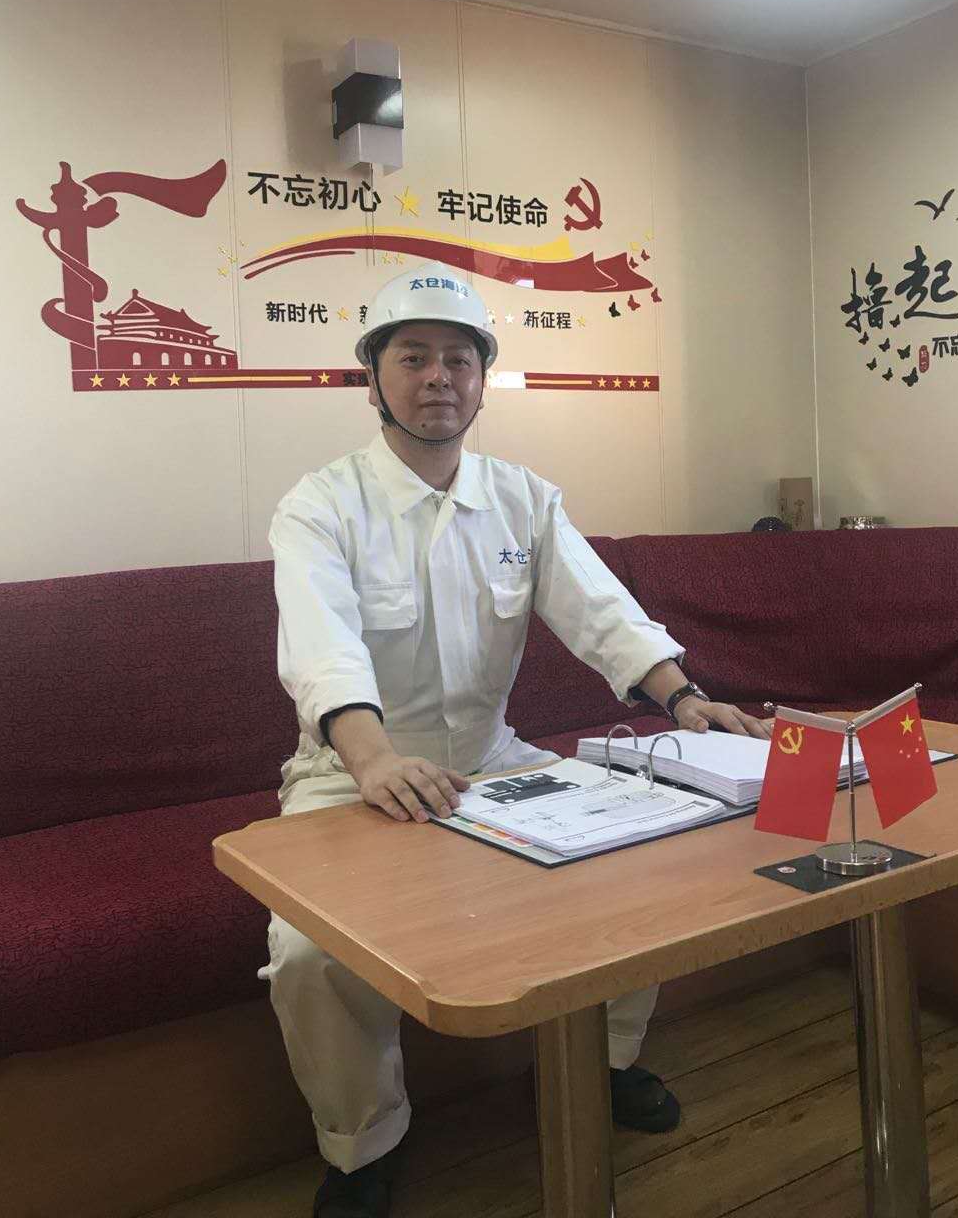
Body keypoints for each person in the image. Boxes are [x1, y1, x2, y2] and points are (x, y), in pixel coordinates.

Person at [262, 260, 770, 1218]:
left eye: (459, 359)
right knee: (306, 954)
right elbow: (322, 647)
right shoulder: (320, 505)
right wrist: (373, 760)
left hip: (494, 760)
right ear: (372, 379)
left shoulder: (523, 499)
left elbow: (601, 611)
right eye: (413, 357)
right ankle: (363, 1147)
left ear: (482, 380)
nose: (438, 378)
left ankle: (605, 1063)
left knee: (644, 858)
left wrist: (683, 698)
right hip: (348, 772)